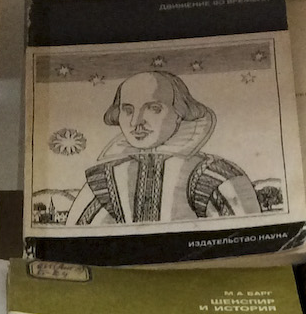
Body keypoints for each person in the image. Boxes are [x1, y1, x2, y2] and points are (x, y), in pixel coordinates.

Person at [68, 70, 260, 227]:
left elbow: (242, 239)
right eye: (127, 110)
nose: (136, 122)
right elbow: (78, 241)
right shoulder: (104, 178)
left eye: (153, 108)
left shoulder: (215, 174)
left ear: (180, 112)